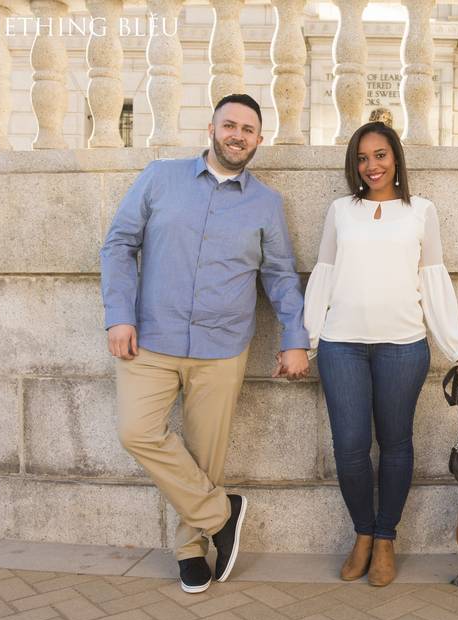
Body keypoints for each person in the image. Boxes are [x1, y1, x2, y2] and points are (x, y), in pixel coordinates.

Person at [99, 94, 310, 594]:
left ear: (259, 140)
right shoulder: (159, 177)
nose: (238, 135)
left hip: (222, 347)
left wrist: (294, 338)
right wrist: (118, 316)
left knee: (204, 455)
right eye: (230, 125)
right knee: (136, 432)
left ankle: (190, 550)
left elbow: (280, 276)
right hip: (150, 337)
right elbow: (119, 245)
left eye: (249, 129)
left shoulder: (266, 203)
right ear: (211, 129)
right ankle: (223, 513)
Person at [303, 121, 458, 587]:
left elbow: (433, 278)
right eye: (362, 158)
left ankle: (386, 539)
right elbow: (324, 273)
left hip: (403, 347)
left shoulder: (421, 211)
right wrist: (308, 339)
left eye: (379, 155)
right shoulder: (341, 210)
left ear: (396, 158)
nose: (371, 165)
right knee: (350, 447)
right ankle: (362, 533)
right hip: (342, 346)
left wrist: (456, 345)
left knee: (397, 444)